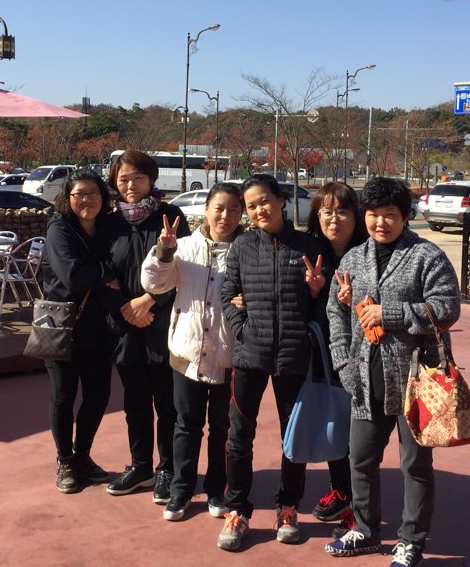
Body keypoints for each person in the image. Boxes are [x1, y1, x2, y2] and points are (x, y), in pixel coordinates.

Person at [325, 177, 461, 567]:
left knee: (414, 464)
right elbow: (336, 312)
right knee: (360, 459)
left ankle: (411, 540)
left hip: (416, 380)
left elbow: (447, 308)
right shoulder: (353, 259)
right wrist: (342, 361)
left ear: (405, 217)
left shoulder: (427, 256)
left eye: (390, 215)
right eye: (373, 215)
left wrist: (392, 313)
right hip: (365, 377)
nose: (380, 223)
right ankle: (365, 530)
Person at [216, 173, 325, 551]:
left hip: (294, 355)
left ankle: (288, 507)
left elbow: (322, 301)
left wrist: (315, 293)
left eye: (264, 201)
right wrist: (242, 329)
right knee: (238, 435)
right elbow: (228, 293)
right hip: (250, 355)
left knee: (292, 436)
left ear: (281, 200)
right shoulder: (243, 246)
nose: (259, 209)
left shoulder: (308, 245)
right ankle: (237, 509)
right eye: (251, 205)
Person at [140, 182, 244, 522]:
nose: (225, 216)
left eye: (233, 209)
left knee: (222, 427)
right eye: (219, 208)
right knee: (186, 425)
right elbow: (154, 284)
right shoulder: (183, 247)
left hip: (229, 354)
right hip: (187, 352)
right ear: (206, 209)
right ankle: (181, 489)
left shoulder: (246, 251)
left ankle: (217, 488)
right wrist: (164, 250)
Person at [101, 150, 191, 504]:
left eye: (137, 178)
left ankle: (167, 469)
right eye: (123, 179)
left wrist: (149, 301)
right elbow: (103, 273)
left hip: (162, 323)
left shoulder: (171, 217)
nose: (130, 185)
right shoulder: (109, 224)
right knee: (135, 402)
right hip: (124, 326)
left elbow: (182, 268)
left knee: (167, 403)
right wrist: (125, 308)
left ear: (151, 180)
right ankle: (141, 466)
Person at [40, 168, 117, 493]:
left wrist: (97, 273)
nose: (87, 200)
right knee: (64, 395)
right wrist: (108, 272)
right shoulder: (59, 228)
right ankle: (65, 461)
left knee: (98, 395)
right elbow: (72, 277)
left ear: (103, 196)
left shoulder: (107, 226)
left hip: (99, 325)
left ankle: (82, 455)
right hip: (61, 323)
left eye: (93, 193)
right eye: (80, 194)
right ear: (67, 198)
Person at [303, 182, 369, 535]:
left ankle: (361, 505)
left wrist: (354, 300)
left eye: (342, 211)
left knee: (359, 432)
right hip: (322, 356)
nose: (334, 219)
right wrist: (314, 292)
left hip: (363, 358)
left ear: (355, 215)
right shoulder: (309, 251)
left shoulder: (368, 253)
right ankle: (342, 490)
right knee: (332, 424)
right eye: (326, 211)